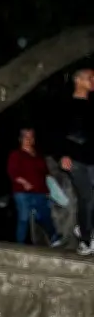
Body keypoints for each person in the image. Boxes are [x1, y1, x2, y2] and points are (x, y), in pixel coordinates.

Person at [57, 68, 94, 255]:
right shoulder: (66, 105)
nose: (93, 80)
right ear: (78, 80)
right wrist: (63, 155)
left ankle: (83, 226)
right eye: (90, 77)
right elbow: (59, 133)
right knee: (87, 196)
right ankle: (86, 240)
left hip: (91, 157)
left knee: (90, 198)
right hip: (75, 159)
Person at [7, 128, 61, 246]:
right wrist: (24, 182)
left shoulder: (39, 156)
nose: (28, 139)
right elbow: (12, 172)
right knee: (24, 218)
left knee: (45, 215)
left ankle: (54, 237)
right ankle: (19, 246)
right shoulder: (16, 154)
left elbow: (46, 174)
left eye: (31, 137)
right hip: (22, 192)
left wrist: (48, 190)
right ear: (20, 139)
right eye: (25, 137)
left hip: (40, 192)